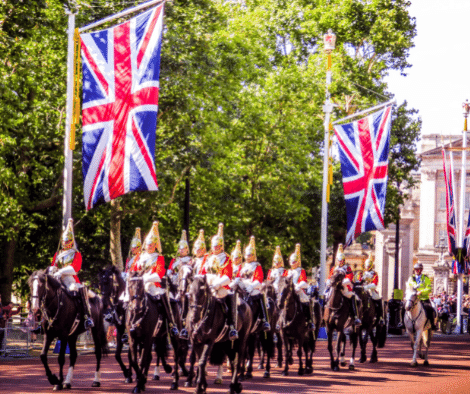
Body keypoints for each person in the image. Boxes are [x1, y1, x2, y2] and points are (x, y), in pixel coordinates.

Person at [49, 218, 94, 330]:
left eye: (67, 241)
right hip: (57, 277)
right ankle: (42, 321)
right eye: (64, 241)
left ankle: (87, 316)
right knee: (46, 291)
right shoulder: (58, 254)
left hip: (69, 278)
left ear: (71, 241)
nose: (65, 243)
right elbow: (53, 265)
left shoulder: (76, 254)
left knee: (76, 289)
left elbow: (75, 268)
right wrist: (52, 270)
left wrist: (61, 271)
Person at [138, 221, 179, 337]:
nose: (149, 246)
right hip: (139, 286)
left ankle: (171, 324)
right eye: (148, 244)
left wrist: (146, 279)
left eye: (151, 245)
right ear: (145, 245)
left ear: (155, 245)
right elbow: (134, 270)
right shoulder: (139, 257)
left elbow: (159, 273)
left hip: (153, 286)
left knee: (164, 298)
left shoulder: (159, 257)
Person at [200, 223, 238, 341]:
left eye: (218, 246)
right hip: (207, 285)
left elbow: (228, 276)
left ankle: (232, 326)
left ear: (221, 246)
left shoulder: (227, 259)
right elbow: (201, 272)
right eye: (213, 246)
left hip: (220, 286)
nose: (215, 248)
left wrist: (216, 284)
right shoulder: (207, 257)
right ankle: (185, 325)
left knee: (229, 297)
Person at [237, 236, 270, 331]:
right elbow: (238, 277)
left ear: (253, 255)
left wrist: (251, 286)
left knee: (259, 296)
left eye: (250, 255)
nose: (248, 257)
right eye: (246, 255)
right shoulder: (242, 266)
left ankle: (265, 320)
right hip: (242, 287)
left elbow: (259, 279)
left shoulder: (257, 265)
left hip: (253, 287)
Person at [327, 244, 361, 325]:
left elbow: (349, 278)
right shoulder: (333, 268)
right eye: (339, 260)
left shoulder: (347, 268)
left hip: (344, 288)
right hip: (334, 287)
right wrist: (330, 283)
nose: (340, 261)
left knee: (352, 297)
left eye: (341, 260)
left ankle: (355, 317)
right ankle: (324, 316)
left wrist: (341, 283)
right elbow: (329, 278)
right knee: (326, 297)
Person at [287, 244, 315, 331]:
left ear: (298, 262)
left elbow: (304, 281)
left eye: (294, 261)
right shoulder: (287, 272)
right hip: (289, 292)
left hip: (298, 291)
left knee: (306, 301)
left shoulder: (301, 271)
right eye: (292, 261)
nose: (293, 263)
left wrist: (297, 286)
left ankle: (310, 321)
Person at [406, 262, 436, 330]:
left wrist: (421, 292)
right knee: (404, 307)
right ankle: (402, 323)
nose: (416, 270)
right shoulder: (411, 278)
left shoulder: (426, 278)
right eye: (415, 269)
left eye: (418, 269)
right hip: (412, 298)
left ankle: (432, 324)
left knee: (430, 309)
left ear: (421, 270)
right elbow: (408, 286)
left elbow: (429, 289)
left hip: (423, 299)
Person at [359, 252, 385, 326]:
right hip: (363, 290)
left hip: (371, 291)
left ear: (370, 266)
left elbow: (375, 284)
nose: (367, 267)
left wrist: (367, 287)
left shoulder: (374, 274)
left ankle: (380, 318)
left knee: (378, 300)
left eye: (368, 266)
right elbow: (359, 280)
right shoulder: (362, 273)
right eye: (366, 266)